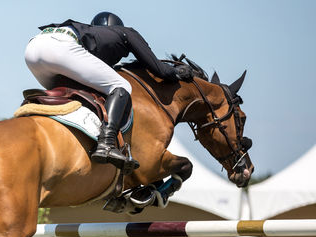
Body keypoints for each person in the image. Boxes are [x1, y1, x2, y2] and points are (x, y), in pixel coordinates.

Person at [25, 12, 193, 170]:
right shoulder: (125, 32)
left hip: (32, 50)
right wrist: (177, 72)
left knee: (68, 95)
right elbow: (159, 69)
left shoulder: (88, 33)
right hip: (60, 49)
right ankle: (106, 143)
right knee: (121, 86)